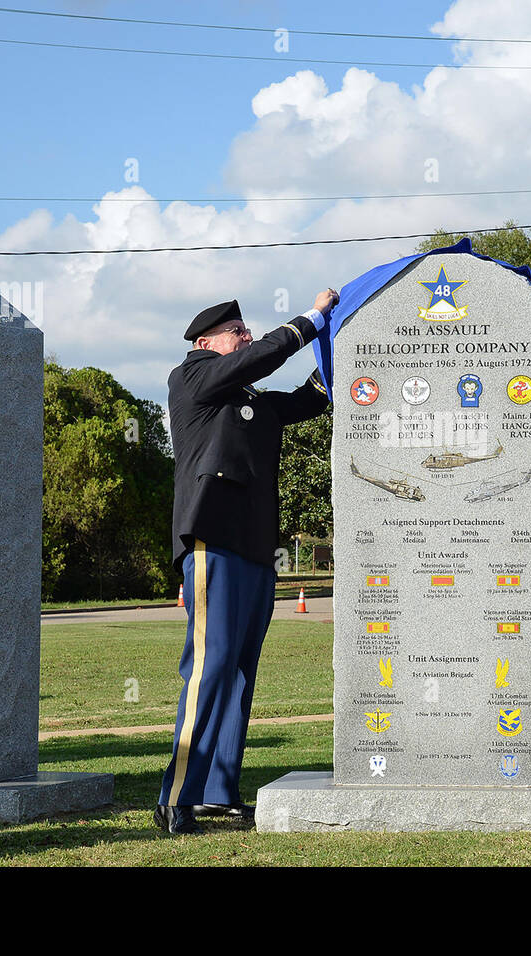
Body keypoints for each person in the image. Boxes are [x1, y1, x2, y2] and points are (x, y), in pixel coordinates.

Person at [155, 290, 337, 835]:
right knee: (209, 667)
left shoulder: (245, 396)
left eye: (246, 330)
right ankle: (176, 795)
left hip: (255, 547)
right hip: (213, 537)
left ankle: (217, 792)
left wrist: (340, 341)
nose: (247, 337)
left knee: (238, 672)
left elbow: (306, 400)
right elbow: (262, 356)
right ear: (206, 343)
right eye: (238, 331)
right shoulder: (192, 378)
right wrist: (310, 319)